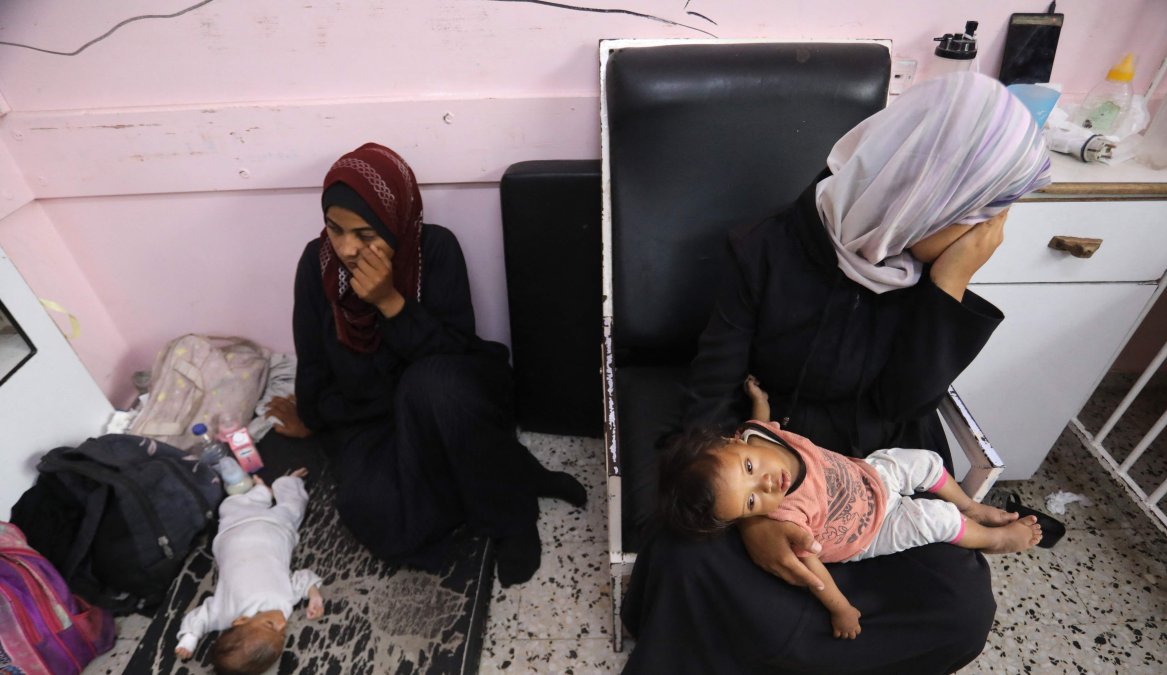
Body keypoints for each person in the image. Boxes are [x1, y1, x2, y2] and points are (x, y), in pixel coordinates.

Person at [621, 72, 1052, 673]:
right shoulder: (764, 250)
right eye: (978, 216)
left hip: (876, 480)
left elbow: (904, 404)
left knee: (959, 611)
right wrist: (758, 519)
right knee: (684, 558)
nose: (987, 238)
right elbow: (709, 403)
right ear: (921, 194)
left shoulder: (923, 277)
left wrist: (949, 285)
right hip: (773, 462)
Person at [266, 143, 585, 586]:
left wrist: (389, 303)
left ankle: (511, 519)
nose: (346, 248)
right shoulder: (314, 266)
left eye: (365, 234)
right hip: (368, 414)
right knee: (371, 512)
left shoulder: (434, 250)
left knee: (434, 386)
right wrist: (313, 418)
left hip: (444, 397)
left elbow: (453, 350)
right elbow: (314, 365)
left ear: (395, 221)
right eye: (334, 229)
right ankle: (508, 474)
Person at [658, 375, 1041, 640]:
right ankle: (990, 538)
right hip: (868, 531)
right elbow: (811, 569)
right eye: (751, 502)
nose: (766, 484)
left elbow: (760, 422)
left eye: (750, 468)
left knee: (925, 461)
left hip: (869, 476)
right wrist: (840, 608)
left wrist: (760, 401)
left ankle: (970, 505)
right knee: (936, 519)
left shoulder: (757, 434)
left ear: (735, 441)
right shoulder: (784, 517)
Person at [174, 469, 323, 674]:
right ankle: (288, 482)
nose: (281, 623)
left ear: (240, 621)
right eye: (282, 635)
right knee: (294, 507)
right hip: (277, 528)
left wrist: (189, 639)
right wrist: (314, 595)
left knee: (229, 506)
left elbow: (200, 617)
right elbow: (301, 580)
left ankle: (261, 491)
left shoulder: (225, 612)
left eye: (270, 625)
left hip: (234, 529)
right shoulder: (283, 603)